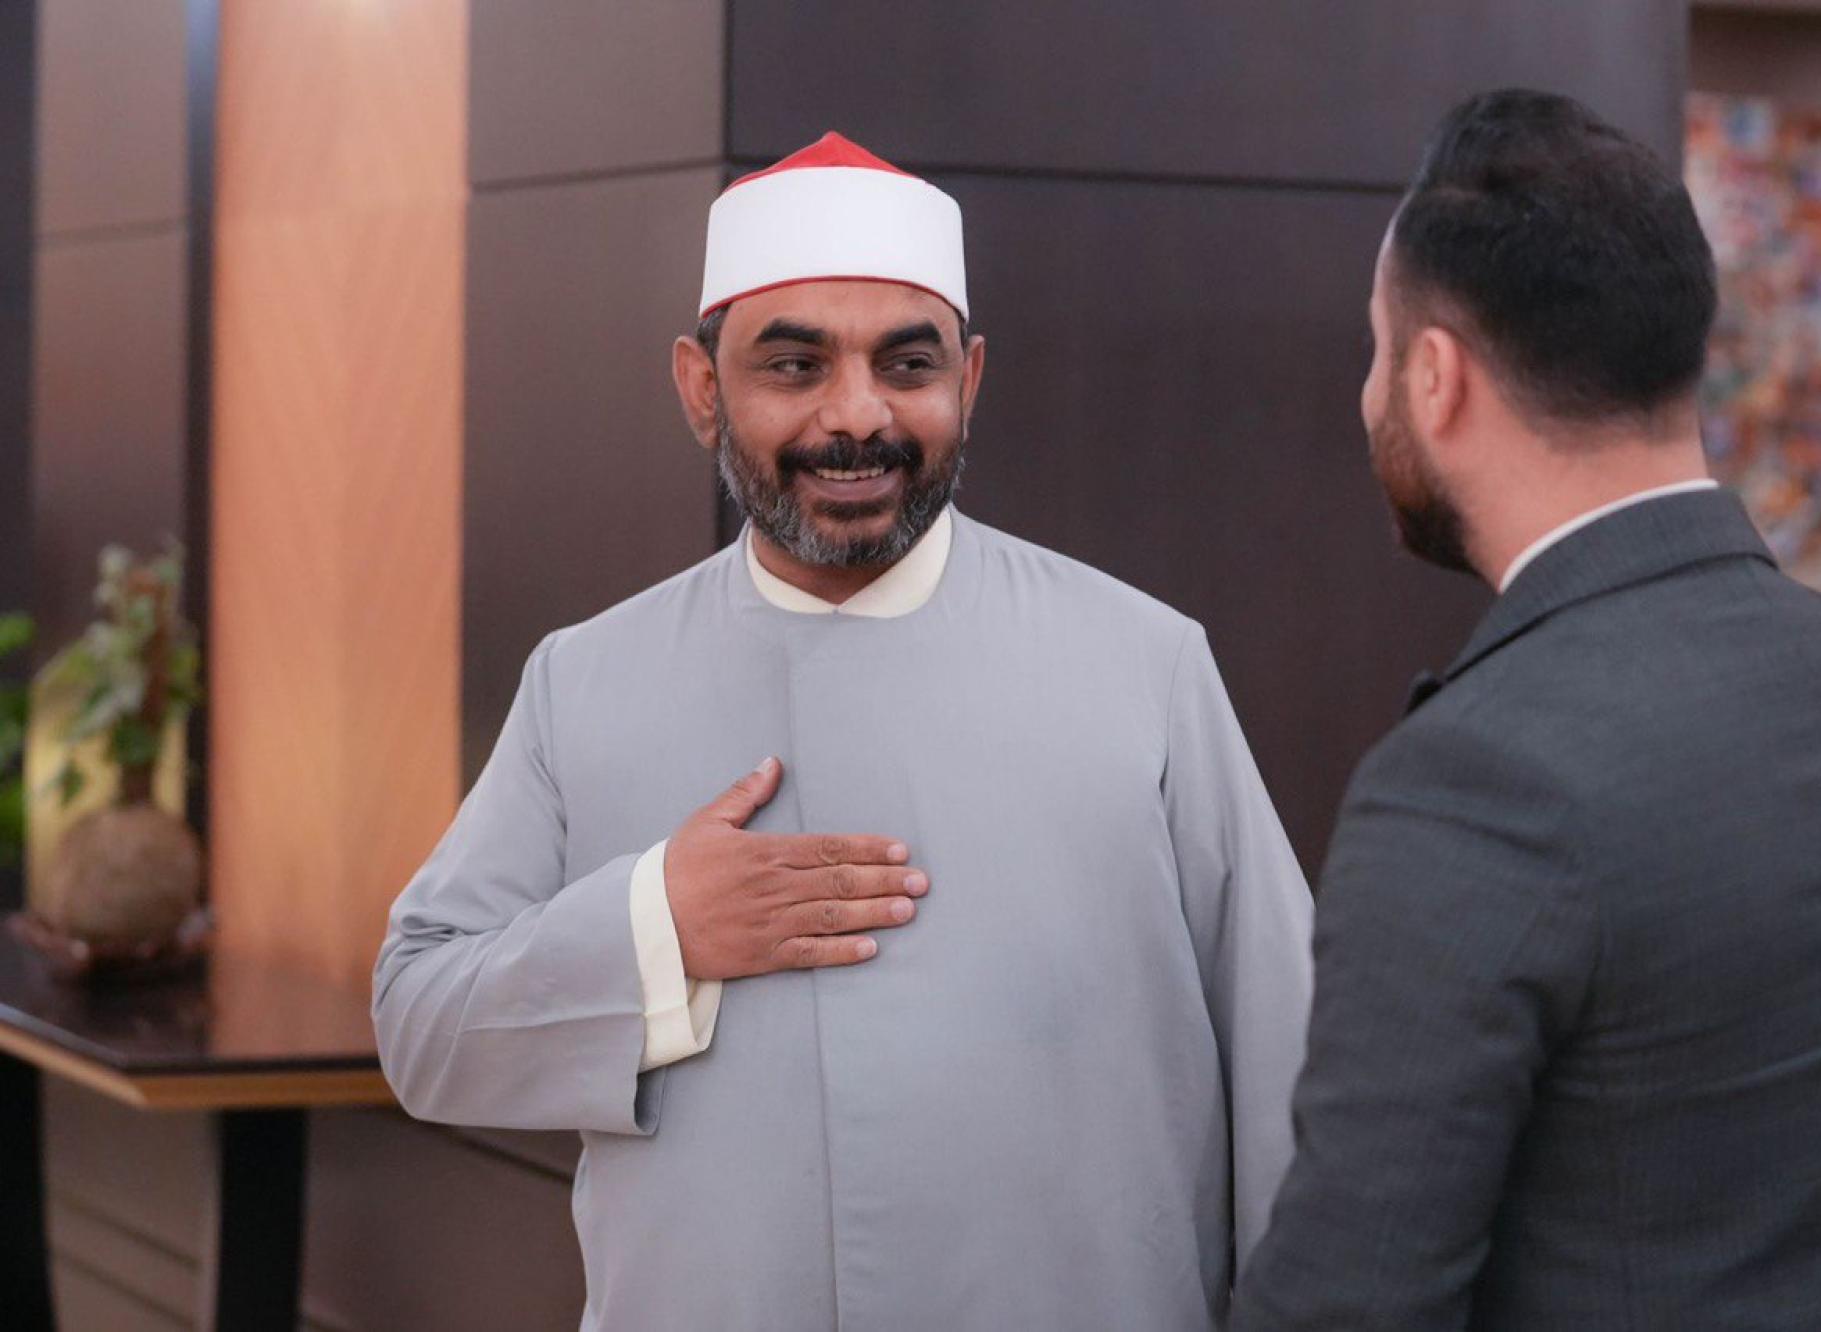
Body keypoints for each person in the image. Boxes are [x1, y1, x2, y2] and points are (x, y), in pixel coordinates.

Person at [373, 131, 1313, 1332]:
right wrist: (657, 927)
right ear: (701, 388)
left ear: (969, 380)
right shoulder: (584, 680)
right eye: (795, 365)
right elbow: (421, 1024)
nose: (857, 415)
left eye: (906, 364)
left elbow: (1291, 1079)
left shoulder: (1144, 664)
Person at [1234, 90, 1821, 1330]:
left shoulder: (1474, 781)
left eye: (1375, 352)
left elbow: (1347, 1300)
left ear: (1434, 377)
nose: (1367, 396)